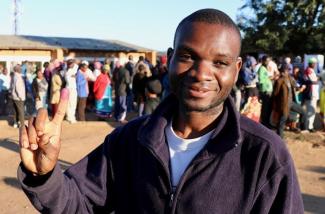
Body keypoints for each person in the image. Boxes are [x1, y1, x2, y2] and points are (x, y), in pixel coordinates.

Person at [18, 9, 304, 213]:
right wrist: (44, 176)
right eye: (188, 56)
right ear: (170, 59)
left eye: (219, 63)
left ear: (237, 69)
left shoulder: (265, 155)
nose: (201, 73)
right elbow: (79, 202)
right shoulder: (130, 140)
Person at [270, 64, 307, 138]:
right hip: (284, 104)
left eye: (287, 70)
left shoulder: (290, 78)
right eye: (286, 70)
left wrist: (300, 88)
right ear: (282, 72)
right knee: (282, 120)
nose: (287, 72)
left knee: (303, 112)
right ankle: (280, 137)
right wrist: (277, 105)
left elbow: (295, 86)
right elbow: (275, 94)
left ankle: (303, 129)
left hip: (291, 102)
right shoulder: (279, 81)